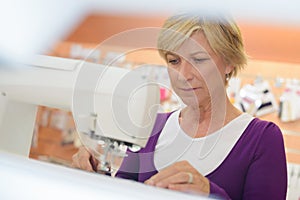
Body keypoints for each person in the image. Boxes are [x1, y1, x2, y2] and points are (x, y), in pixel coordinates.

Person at [71, 13, 287, 199]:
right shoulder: (150, 129)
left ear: (229, 62)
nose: (183, 76)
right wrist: (96, 176)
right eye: (174, 61)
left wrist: (209, 193)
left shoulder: (262, 139)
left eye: (199, 60)